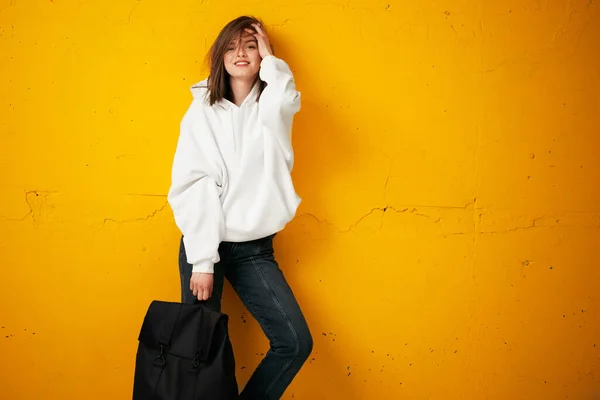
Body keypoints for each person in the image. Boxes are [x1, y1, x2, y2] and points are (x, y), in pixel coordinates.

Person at [167, 15, 313, 400]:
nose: (241, 54)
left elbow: (282, 98)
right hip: (205, 246)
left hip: (254, 250)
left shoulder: (274, 106)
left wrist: (271, 60)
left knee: (295, 342)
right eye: (231, 47)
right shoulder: (202, 111)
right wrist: (202, 261)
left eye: (250, 45)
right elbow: (193, 185)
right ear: (219, 57)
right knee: (205, 355)